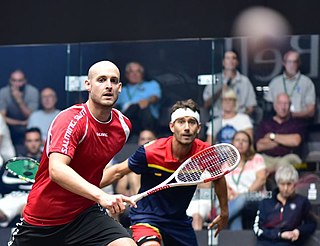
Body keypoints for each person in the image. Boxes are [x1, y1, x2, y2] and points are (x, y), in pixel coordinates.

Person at [8, 61, 137, 246]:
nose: (108, 85)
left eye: (113, 80)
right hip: (42, 220)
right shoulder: (71, 120)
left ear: (119, 87)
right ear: (88, 84)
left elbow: (91, 176)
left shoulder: (122, 128)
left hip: (84, 215)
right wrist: (102, 196)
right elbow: (57, 170)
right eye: (101, 80)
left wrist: (109, 190)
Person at [100, 99, 229, 246]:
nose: (186, 127)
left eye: (191, 122)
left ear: (199, 128)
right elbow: (117, 172)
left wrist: (224, 212)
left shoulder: (205, 153)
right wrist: (87, 190)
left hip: (178, 221)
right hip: (146, 217)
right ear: (172, 127)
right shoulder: (151, 151)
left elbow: (219, 178)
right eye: (181, 122)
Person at [188, 131, 267, 231]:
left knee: (241, 200)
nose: (241, 143)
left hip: (255, 197)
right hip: (235, 201)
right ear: (232, 143)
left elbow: (261, 179)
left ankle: (217, 223)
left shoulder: (256, 158)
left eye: (244, 141)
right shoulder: (226, 165)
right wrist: (230, 196)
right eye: (238, 140)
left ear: (249, 144)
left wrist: (243, 195)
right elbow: (225, 186)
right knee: (236, 216)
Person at [253, 164, 317, 245]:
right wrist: (279, 235)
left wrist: (298, 231)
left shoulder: (302, 202)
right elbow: (258, 229)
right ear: (277, 184)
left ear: (295, 184)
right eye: (282, 184)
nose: (285, 188)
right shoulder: (266, 203)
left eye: (289, 184)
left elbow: (311, 224)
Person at [0, 127, 42, 228]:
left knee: (27, 211)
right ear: (24, 142)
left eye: (36, 140)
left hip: (33, 197)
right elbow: (3, 182)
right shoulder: (14, 162)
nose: (33, 144)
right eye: (29, 141)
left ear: (41, 142)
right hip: (13, 196)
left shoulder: (48, 162)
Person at [255, 93, 305, 173]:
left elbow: (295, 141)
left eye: (286, 103)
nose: (283, 107)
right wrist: (285, 141)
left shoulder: (297, 123)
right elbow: (259, 146)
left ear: (290, 106)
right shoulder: (265, 123)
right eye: (280, 103)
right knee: (257, 165)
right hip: (268, 158)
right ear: (275, 106)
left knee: (282, 164)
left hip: (291, 158)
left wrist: (272, 137)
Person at [202, 50, 257, 117]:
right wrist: (220, 91)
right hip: (218, 119)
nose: (231, 61)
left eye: (233, 58)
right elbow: (206, 105)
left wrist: (240, 119)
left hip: (239, 119)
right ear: (223, 62)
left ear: (237, 62)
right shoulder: (215, 80)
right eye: (227, 58)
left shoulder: (245, 81)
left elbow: (251, 107)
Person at [264, 50, 316, 120]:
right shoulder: (275, 83)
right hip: (278, 124)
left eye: (294, 62)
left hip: (300, 122)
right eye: (289, 62)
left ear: (298, 64)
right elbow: (268, 109)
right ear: (284, 63)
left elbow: (311, 112)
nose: (291, 65)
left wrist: (292, 115)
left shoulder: (307, 82)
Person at [116, 62, 162, 136]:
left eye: (138, 71)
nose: (134, 74)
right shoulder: (121, 90)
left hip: (146, 119)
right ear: (126, 75)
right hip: (127, 119)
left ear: (142, 74)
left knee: (141, 106)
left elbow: (155, 97)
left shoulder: (151, 84)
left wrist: (148, 101)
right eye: (131, 71)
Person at [0, 70, 39, 152]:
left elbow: (32, 116)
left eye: (20, 81)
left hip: (29, 129)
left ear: (25, 81)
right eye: (14, 81)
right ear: (10, 81)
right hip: (10, 129)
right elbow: (2, 118)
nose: (17, 84)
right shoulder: (3, 93)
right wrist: (21, 123)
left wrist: (19, 100)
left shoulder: (32, 92)